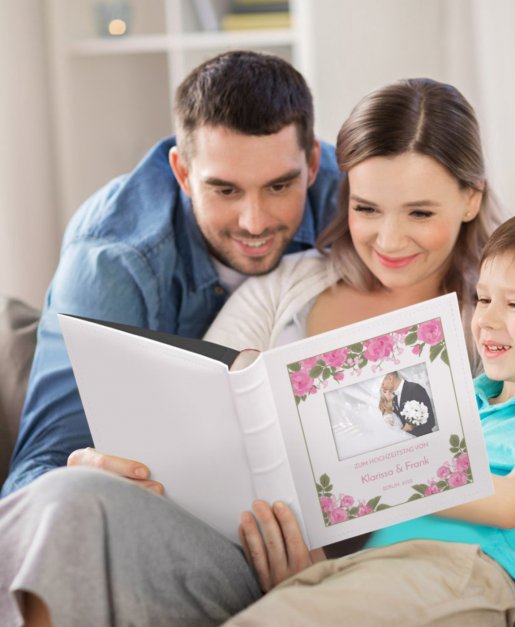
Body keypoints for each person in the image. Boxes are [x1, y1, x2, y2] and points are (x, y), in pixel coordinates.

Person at [0, 77, 500, 626]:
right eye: (367, 209)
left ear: (470, 197)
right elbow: (189, 406)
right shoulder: (291, 282)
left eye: (420, 214)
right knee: (71, 497)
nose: (389, 239)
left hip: (357, 582)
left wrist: (320, 578)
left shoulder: (492, 325)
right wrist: (109, 464)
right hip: (214, 547)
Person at [224, 204, 515, 626]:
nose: (486, 318)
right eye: (483, 298)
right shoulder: (463, 393)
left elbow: (513, 503)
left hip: (461, 571)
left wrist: (389, 468)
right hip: (373, 565)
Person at [1, 50, 340, 497]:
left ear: (312, 163)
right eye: (224, 189)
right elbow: (31, 479)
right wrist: (80, 482)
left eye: (279, 186)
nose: (254, 221)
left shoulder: (355, 201)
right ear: (182, 172)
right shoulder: (112, 262)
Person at [380, 370, 437, 436]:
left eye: (382, 383)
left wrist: (412, 424)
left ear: (390, 378)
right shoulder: (393, 398)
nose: (382, 387)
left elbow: (431, 421)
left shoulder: (415, 388)